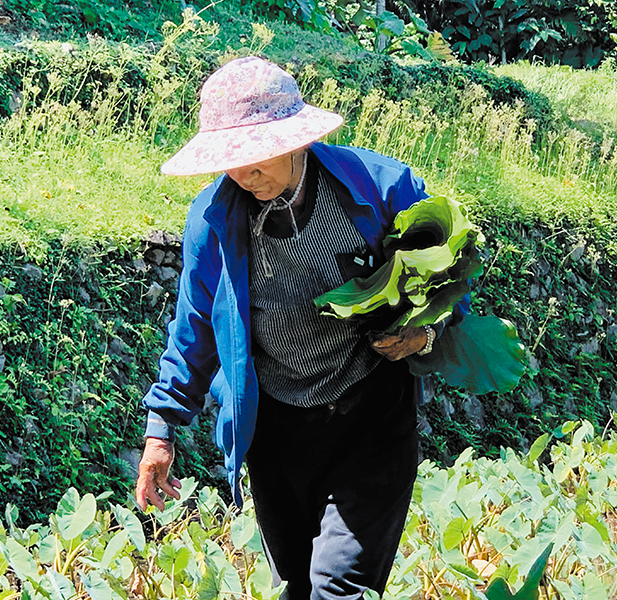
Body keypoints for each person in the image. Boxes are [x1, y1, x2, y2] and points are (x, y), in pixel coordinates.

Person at [134, 56, 464, 599]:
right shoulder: (213, 220)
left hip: (369, 418)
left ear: (295, 140)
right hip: (275, 428)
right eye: (231, 161)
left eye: (257, 157)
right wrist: (160, 430)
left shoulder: (381, 190)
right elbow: (194, 330)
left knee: (340, 588)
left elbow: (447, 280)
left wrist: (422, 335)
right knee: (296, 585)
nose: (244, 174)